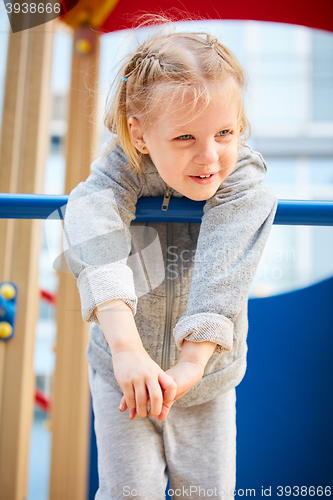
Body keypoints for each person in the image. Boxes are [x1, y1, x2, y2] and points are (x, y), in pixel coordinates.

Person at [63, 20, 277, 500]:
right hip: (124, 375)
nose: (210, 156)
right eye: (185, 138)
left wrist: (193, 362)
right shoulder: (119, 170)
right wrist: (124, 349)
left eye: (226, 131)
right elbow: (91, 220)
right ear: (139, 135)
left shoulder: (241, 178)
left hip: (205, 381)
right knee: (129, 493)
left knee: (205, 493)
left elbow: (225, 266)